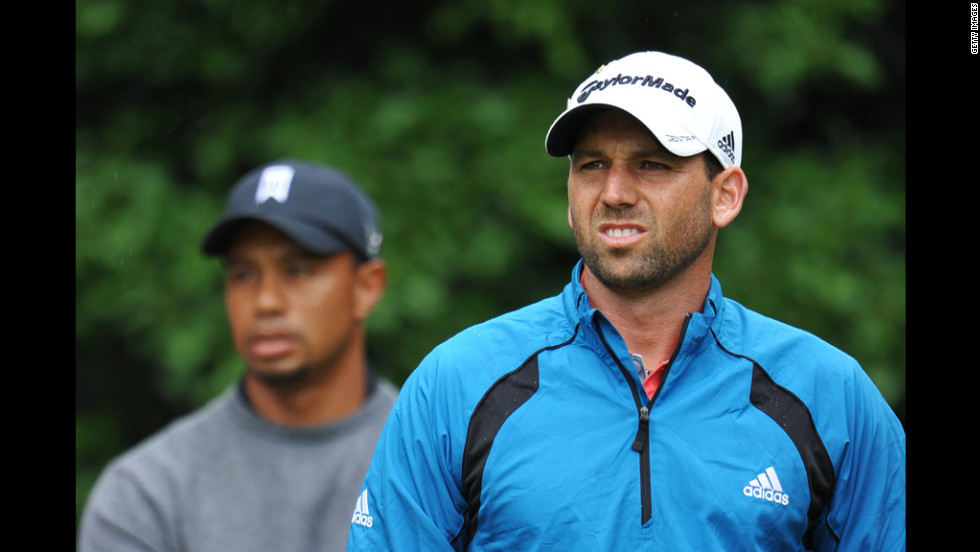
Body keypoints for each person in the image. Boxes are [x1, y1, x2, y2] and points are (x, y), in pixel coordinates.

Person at [346, 51, 906, 551]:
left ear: (725, 195)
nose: (614, 193)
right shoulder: (456, 385)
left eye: (652, 165)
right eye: (592, 165)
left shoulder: (829, 394)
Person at [78, 159, 397, 552]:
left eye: (297, 270)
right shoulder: (147, 494)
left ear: (367, 287)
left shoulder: (443, 466)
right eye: (243, 274)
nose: (264, 302)